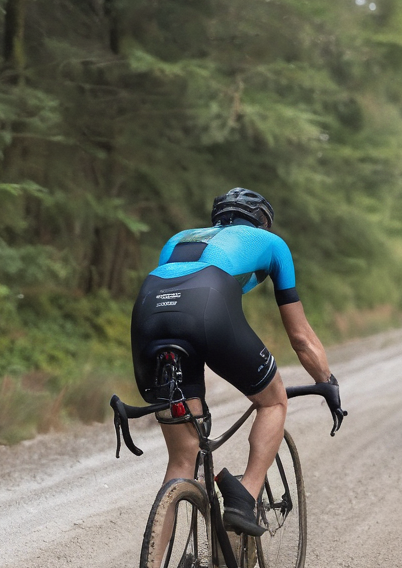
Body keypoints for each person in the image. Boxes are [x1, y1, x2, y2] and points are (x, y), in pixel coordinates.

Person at [129, 187, 345, 536]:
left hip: (148, 318)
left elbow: (181, 292)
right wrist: (327, 381)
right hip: (207, 309)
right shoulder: (270, 243)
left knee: (182, 459)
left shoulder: (178, 239)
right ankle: (245, 494)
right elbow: (301, 338)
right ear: (262, 222)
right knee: (273, 400)